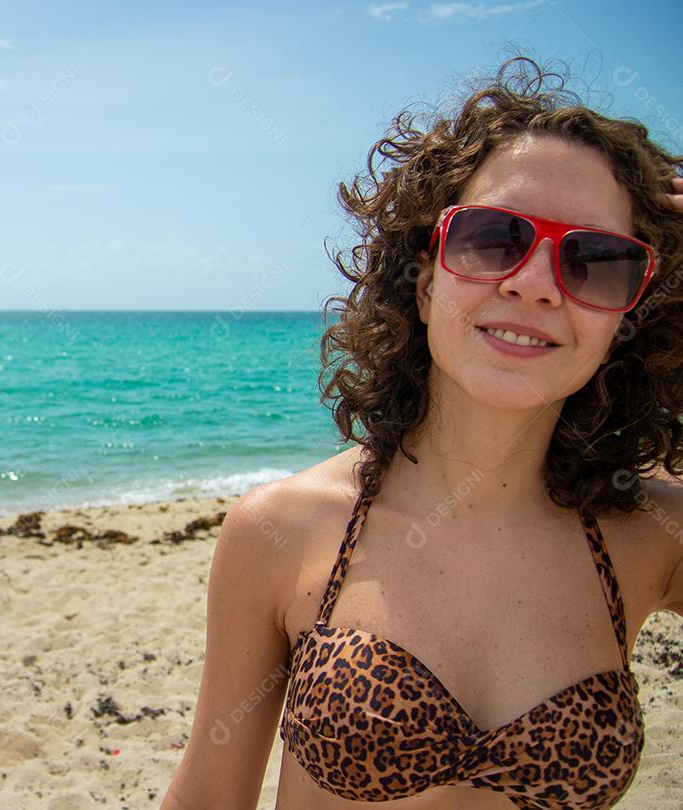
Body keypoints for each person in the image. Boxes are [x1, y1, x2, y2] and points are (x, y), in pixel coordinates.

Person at [161, 55, 683, 810]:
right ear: (429, 277)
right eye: (494, 237)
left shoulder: (651, 534)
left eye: (595, 260)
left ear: (629, 312)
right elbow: (208, 798)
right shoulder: (282, 531)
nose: (534, 282)